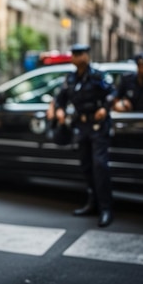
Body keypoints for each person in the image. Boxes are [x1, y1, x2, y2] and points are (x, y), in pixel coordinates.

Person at [51, 43, 116, 227]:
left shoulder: (97, 75)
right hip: (80, 126)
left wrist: (104, 108)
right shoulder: (70, 79)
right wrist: (59, 110)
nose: (77, 57)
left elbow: (112, 93)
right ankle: (93, 203)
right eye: (74, 54)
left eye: (80, 54)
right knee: (86, 166)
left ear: (87, 56)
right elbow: (60, 98)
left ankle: (106, 209)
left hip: (98, 126)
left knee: (100, 166)